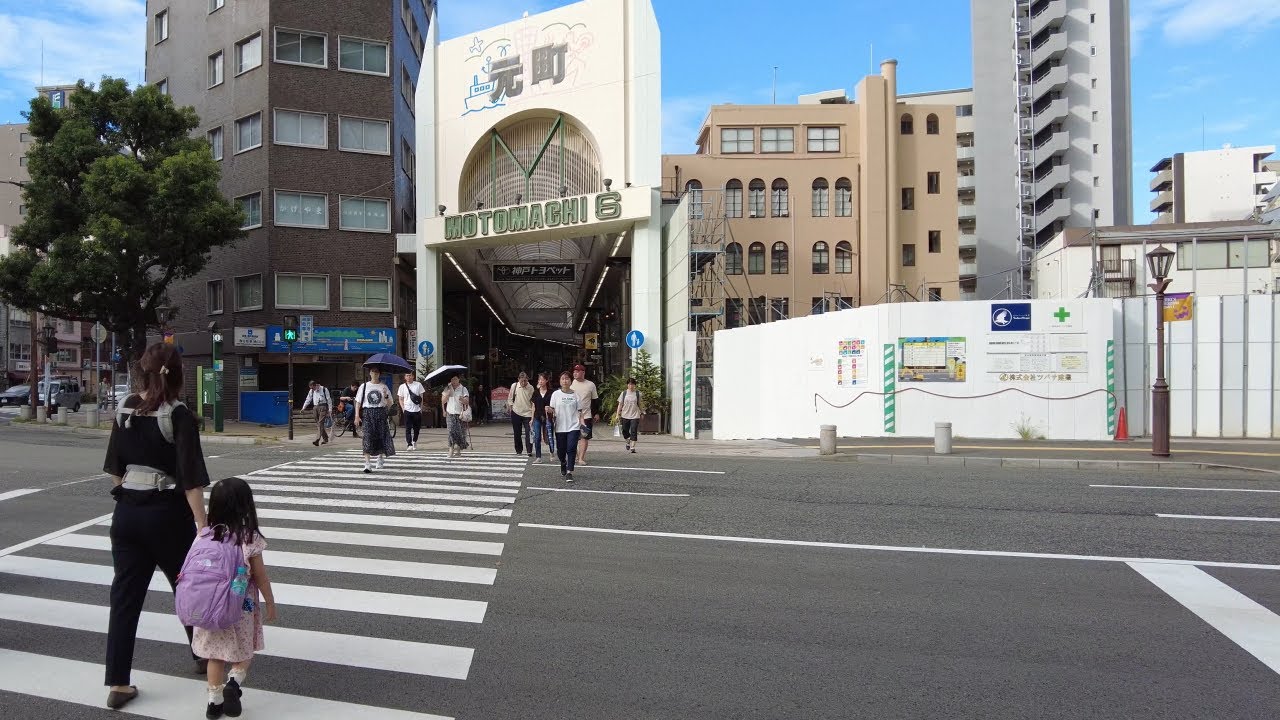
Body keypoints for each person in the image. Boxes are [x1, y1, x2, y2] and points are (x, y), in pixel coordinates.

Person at [102, 343, 211, 711]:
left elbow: (115, 469)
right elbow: (191, 479)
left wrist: (128, 501)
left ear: (142, 372)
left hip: (127, 517)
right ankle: (203, 655)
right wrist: (202, 525)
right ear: (177, 375)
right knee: (187, 589)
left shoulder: (125, 409)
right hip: (168, 516)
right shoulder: (177, 415)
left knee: (124, 598)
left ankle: (118, 681)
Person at [192, 477, 276, 719]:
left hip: (209, 608)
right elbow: (260, 577)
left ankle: (213, 702)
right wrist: (270, 601)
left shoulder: (204, 535)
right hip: (240, 608)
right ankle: (234, 684)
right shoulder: (249, 537)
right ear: (245, 506)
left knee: (215, 656)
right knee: (243, 653)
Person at [354, 367, 395, 472]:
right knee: (367, 437)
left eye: (377, 371)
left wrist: (385, 396)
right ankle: (367, 464)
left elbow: (390, 404)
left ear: (379, 374)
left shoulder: (384, 386)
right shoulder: (364, 386)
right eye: (373, 371)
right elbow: (358, 402)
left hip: (381, 413)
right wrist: (357, 415)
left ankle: (380, 458)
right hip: (368, 413)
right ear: (370, 373)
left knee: (381, 436)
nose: (375, 373)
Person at [547, 371, 585, 482]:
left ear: (570, 381)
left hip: (573, 426)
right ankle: (563, 462)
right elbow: (552, 409)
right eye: (563, 379)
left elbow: (580, 411)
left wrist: (582, 422)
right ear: (560, 381)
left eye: (567, 379)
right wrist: (549, 409)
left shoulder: (576, 395)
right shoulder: (555, 394)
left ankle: (569, 471)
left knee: (571, 448)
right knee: (561, 450)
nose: (565, 381)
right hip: (560, 427)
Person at [570, 364, 600, 465]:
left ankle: (581, 458)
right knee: (573, 437)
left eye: (577, 371)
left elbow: (595, 400)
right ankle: (575, 456)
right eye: (574, 371)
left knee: (584, 436)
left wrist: (596, 413)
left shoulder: (590, 385)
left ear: (583, 372)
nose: (575, 373)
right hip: (572, 415)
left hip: (586, 415)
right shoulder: (570, 384)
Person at [530, 372, 556, 464]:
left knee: (549, 436)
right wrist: (532, 419)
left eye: (542, 379)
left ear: (546, 380)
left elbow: (554, 406)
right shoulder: (535, 392)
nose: (540, 381)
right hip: (537, 416)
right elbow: (533, 406)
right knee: (537, 437)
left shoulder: (552, 392)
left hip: (548, 417)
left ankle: (552, 452)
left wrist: (551, 410)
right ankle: (538, 457)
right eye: (539, 379)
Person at [442, 374, 470, 458]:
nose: (453, 381)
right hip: (450, 413)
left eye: (455, 379)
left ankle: (458, 448)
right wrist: (447, 394)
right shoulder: (447, 388)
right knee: (450, 431)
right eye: (452, 379)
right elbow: (443, 401)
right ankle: (451, 449)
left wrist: (462, 399)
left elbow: (467, 402)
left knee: (460, 433)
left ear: (458, 380)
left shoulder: (463, 389)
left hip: (460, 414)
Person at [397, 371, 425, 451]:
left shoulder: (418, 385)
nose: (408, 377)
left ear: (413, 376)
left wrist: (421, 409)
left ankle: (414, 441)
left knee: (417, 428)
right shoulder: (402, 387)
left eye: (410, 375)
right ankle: (409, 444)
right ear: (405, 377)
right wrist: (403, 408)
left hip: (417, 410)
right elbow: (400, 399)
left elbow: (421, 398)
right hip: (407, 410)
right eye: (407, 375)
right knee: (408, 428)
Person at [509, 371, 535, 456]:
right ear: (518, 380)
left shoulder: (531, 388)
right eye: (522, 381)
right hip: (516, 412)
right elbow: (510, 398)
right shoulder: (514, 386)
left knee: (529, 433)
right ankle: (518, 450)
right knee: (517, 433)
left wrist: (533, 415)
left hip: (528, 413)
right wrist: (511, 407)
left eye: (525, 381)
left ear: (527, 380)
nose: (523, 383)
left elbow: (533, 402)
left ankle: (529, 451)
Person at [300, 379, 332, 447]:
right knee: (319, 424)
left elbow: (329, 399)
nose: (313, 389)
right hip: (315, 407)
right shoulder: (311, 390)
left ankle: (317, 440)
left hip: (323, 406)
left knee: (320, 423)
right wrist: (303, 408)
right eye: (311, 388)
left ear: (316, 385)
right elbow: (308, 399)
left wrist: (330, 409)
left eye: (313, 388)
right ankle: (325, 438)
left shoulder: (324, 389)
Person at [616, 377, 643, 453]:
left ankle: (632, 446)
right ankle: (628, 441)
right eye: (629, 384)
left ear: (635, 385)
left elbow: (640, 404)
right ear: (627, 385)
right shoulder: (624, 393)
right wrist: (617, 415)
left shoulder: (638, 393)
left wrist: (642, 412)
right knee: (625, 431)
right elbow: (620, 404)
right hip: (625, 415)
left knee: (634, 430)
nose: (631, 386)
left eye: (632, 384)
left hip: (635, 415)